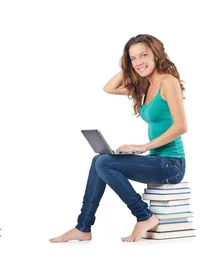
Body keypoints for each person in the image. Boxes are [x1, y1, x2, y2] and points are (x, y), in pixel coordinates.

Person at [50, 34, 187, 243]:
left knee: (104, 162)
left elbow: (181, 126)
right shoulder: (145, 87)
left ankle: (145, 216)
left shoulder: (168, 82)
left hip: (172, 164)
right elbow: (109, 88)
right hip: (156, 160)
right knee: (99, 160)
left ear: (156, 55)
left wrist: (144, 146)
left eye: (144, 55)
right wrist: (132, 66)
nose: (139, 61)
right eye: (133, 58)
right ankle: (83, 227)